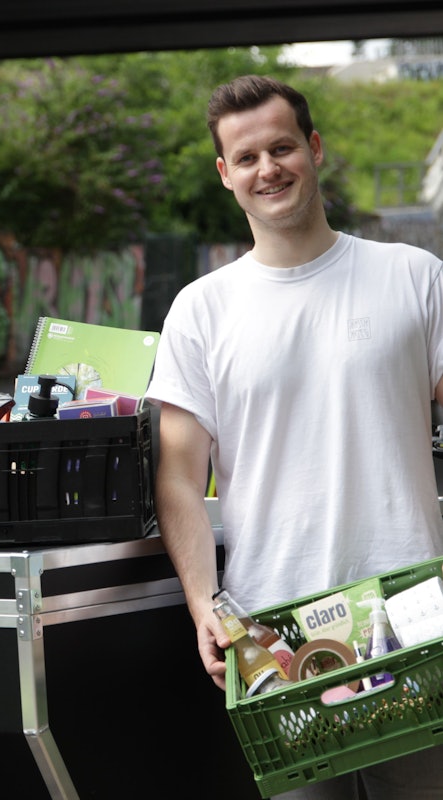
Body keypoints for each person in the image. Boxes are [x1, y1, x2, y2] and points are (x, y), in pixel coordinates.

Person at [145, 75, 443, 799]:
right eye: (245, 158)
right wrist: (204, 608)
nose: (267, 168)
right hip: (272, 635)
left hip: (414, 615)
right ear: (225, 175)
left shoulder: (412, 277)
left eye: (281, 148)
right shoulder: (201, 310)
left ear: (313, 149)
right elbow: (177, 476)